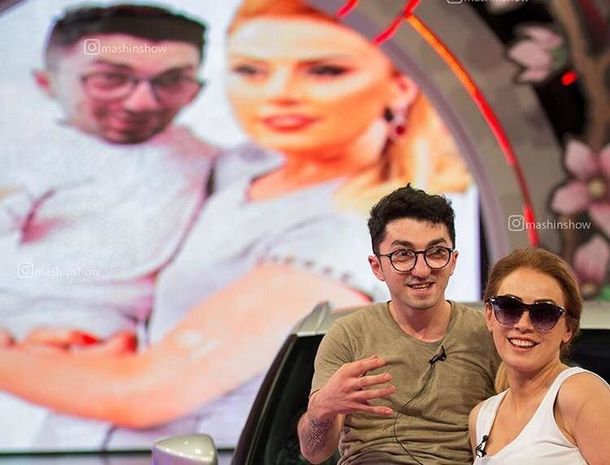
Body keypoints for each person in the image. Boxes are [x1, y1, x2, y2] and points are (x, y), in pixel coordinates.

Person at [0, 0, 478, 449]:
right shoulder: (239, 171)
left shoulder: (350, 227)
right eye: (251, 70)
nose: (279, 94)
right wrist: (71, 330)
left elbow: (146, 393)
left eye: (324, 70)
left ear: (400, 86)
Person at [0, 4, 215, 449]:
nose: (142, 102)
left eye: (172, 81)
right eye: (109, 79)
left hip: (129, 357)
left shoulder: (201, 154)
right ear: (46, 82)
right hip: (25, 335)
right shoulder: (30, 157)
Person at [297, 185, 499, 465]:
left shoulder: (489, 334)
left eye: (436, 252)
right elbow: (315, 452)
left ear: (453, 261)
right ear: (377, 266)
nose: (422, 270)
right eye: (403, 254)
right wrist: (322, 409)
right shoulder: (348, 336)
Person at [469, 248, 610, 464]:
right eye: (509, 308)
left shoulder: (580, 392)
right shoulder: (480, 417)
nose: (523, 324)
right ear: (489, 315)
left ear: (568, 329)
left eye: (544, 313)